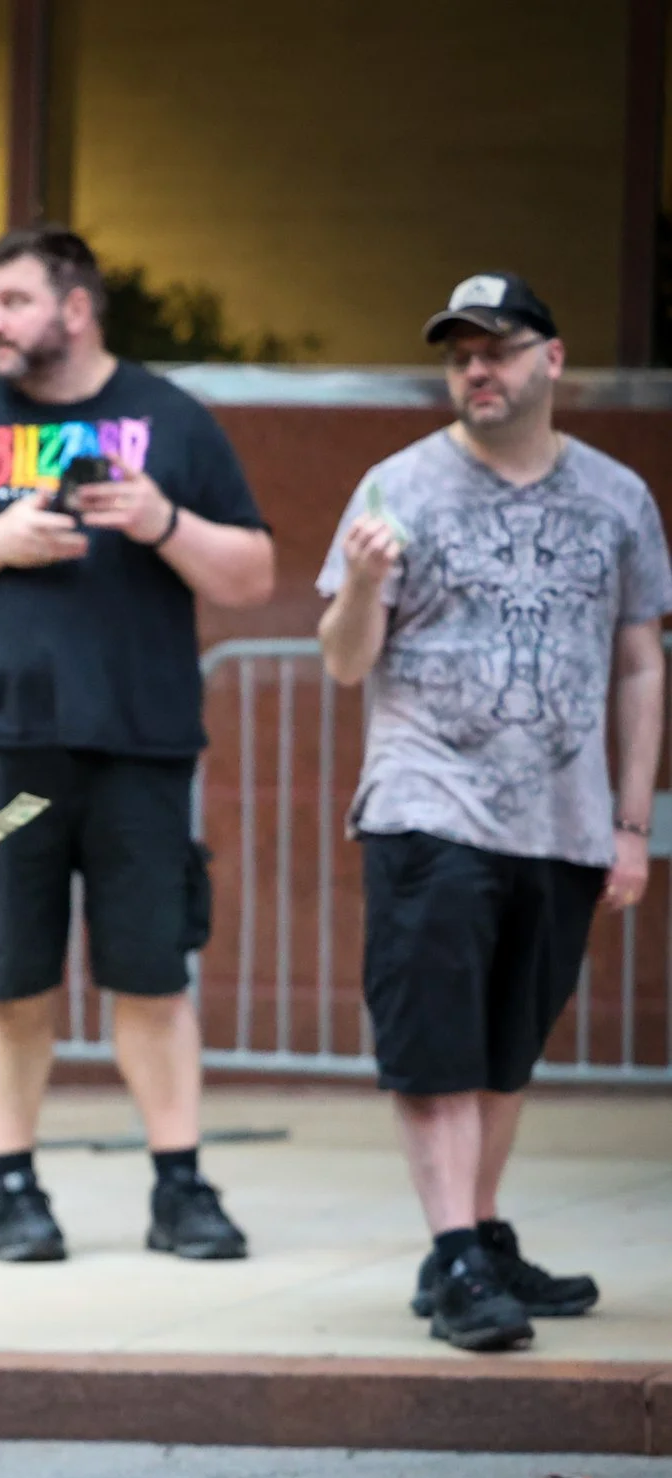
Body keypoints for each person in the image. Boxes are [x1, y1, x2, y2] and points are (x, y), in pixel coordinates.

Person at [0, 224, 276, 1265]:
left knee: (153, 972)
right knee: (5, 975)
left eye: (11, 301)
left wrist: (159, 519)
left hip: (140, 745)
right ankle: (15, 1186)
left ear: (75, 307)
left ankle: (179, 1185)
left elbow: (252, 575)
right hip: (1, 750)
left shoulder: (169, 419)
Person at [316, 272, 667, 1352]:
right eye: (460, 352)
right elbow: (341, 663)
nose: (478, 367)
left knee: (508, 1044)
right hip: (430, 802)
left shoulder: (616, 497)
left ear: (549, 361)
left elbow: (638, 662)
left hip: (561, 818)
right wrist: (366, 587)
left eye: (500, 347)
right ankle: (459, 1250)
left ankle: (473, 1236)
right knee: (436, 1043)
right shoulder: (396, 487)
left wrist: (628, 820)